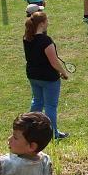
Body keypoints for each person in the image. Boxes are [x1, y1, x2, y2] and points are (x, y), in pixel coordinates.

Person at [23, 11, 69, 139]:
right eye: (47, 21)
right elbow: (54, 62)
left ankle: (28, 129)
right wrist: (63, 72)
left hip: (33, 75)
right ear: (42, 24)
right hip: (48, 78)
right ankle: (53, 133)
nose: (48, 23)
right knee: (50, 106)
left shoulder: (27, 38)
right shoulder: (45, 41)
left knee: (37, 102)